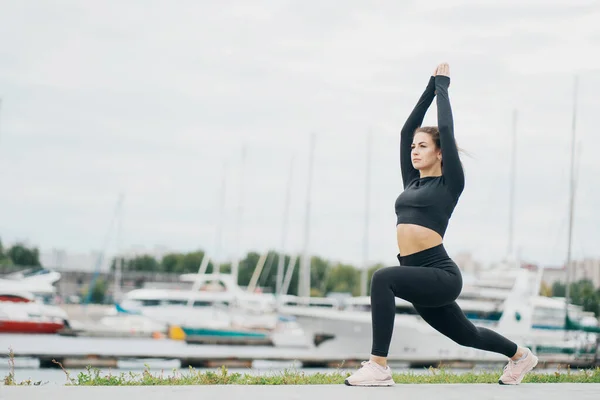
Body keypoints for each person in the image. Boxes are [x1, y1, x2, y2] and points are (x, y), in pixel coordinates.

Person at [344, 63, 538, 387]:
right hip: (418, 273)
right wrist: (428, 88)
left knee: (382, 280)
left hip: (441, 275)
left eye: (422, 147)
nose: (414, 151)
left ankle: (378, 367)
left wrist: (443, 87)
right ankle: (521, 356)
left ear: (439, 154)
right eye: (413, 148)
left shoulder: (450, 184)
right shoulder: (412, 183)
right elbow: (406, 131)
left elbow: (446, 131)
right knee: (466, 335)